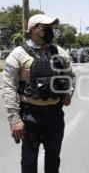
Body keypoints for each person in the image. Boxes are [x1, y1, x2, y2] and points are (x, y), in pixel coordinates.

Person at [3, 14, 75, 173]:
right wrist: (15, 119)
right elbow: (8, 87)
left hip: (55, 117)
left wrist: (69, 93)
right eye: (47, 27)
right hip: (30, 117)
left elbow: (71, 76)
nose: (51, 30)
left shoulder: (59, 52)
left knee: (53, 161)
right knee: (28, 162)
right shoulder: (18, 54)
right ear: (34, 28)